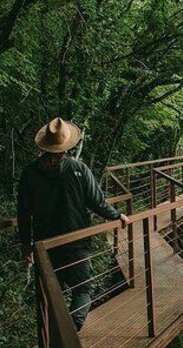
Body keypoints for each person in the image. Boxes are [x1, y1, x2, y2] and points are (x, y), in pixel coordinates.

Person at [17, 117, 124, 331]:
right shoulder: (79, 169)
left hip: (44, 244)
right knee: (83, 288)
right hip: (75, 242)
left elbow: (23, 213)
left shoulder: (29, 173)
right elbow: (97, 202)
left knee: (48, 295)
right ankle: (72, 329)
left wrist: (25, 245)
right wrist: (117, 216)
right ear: (66, 145)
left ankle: (50, 338)